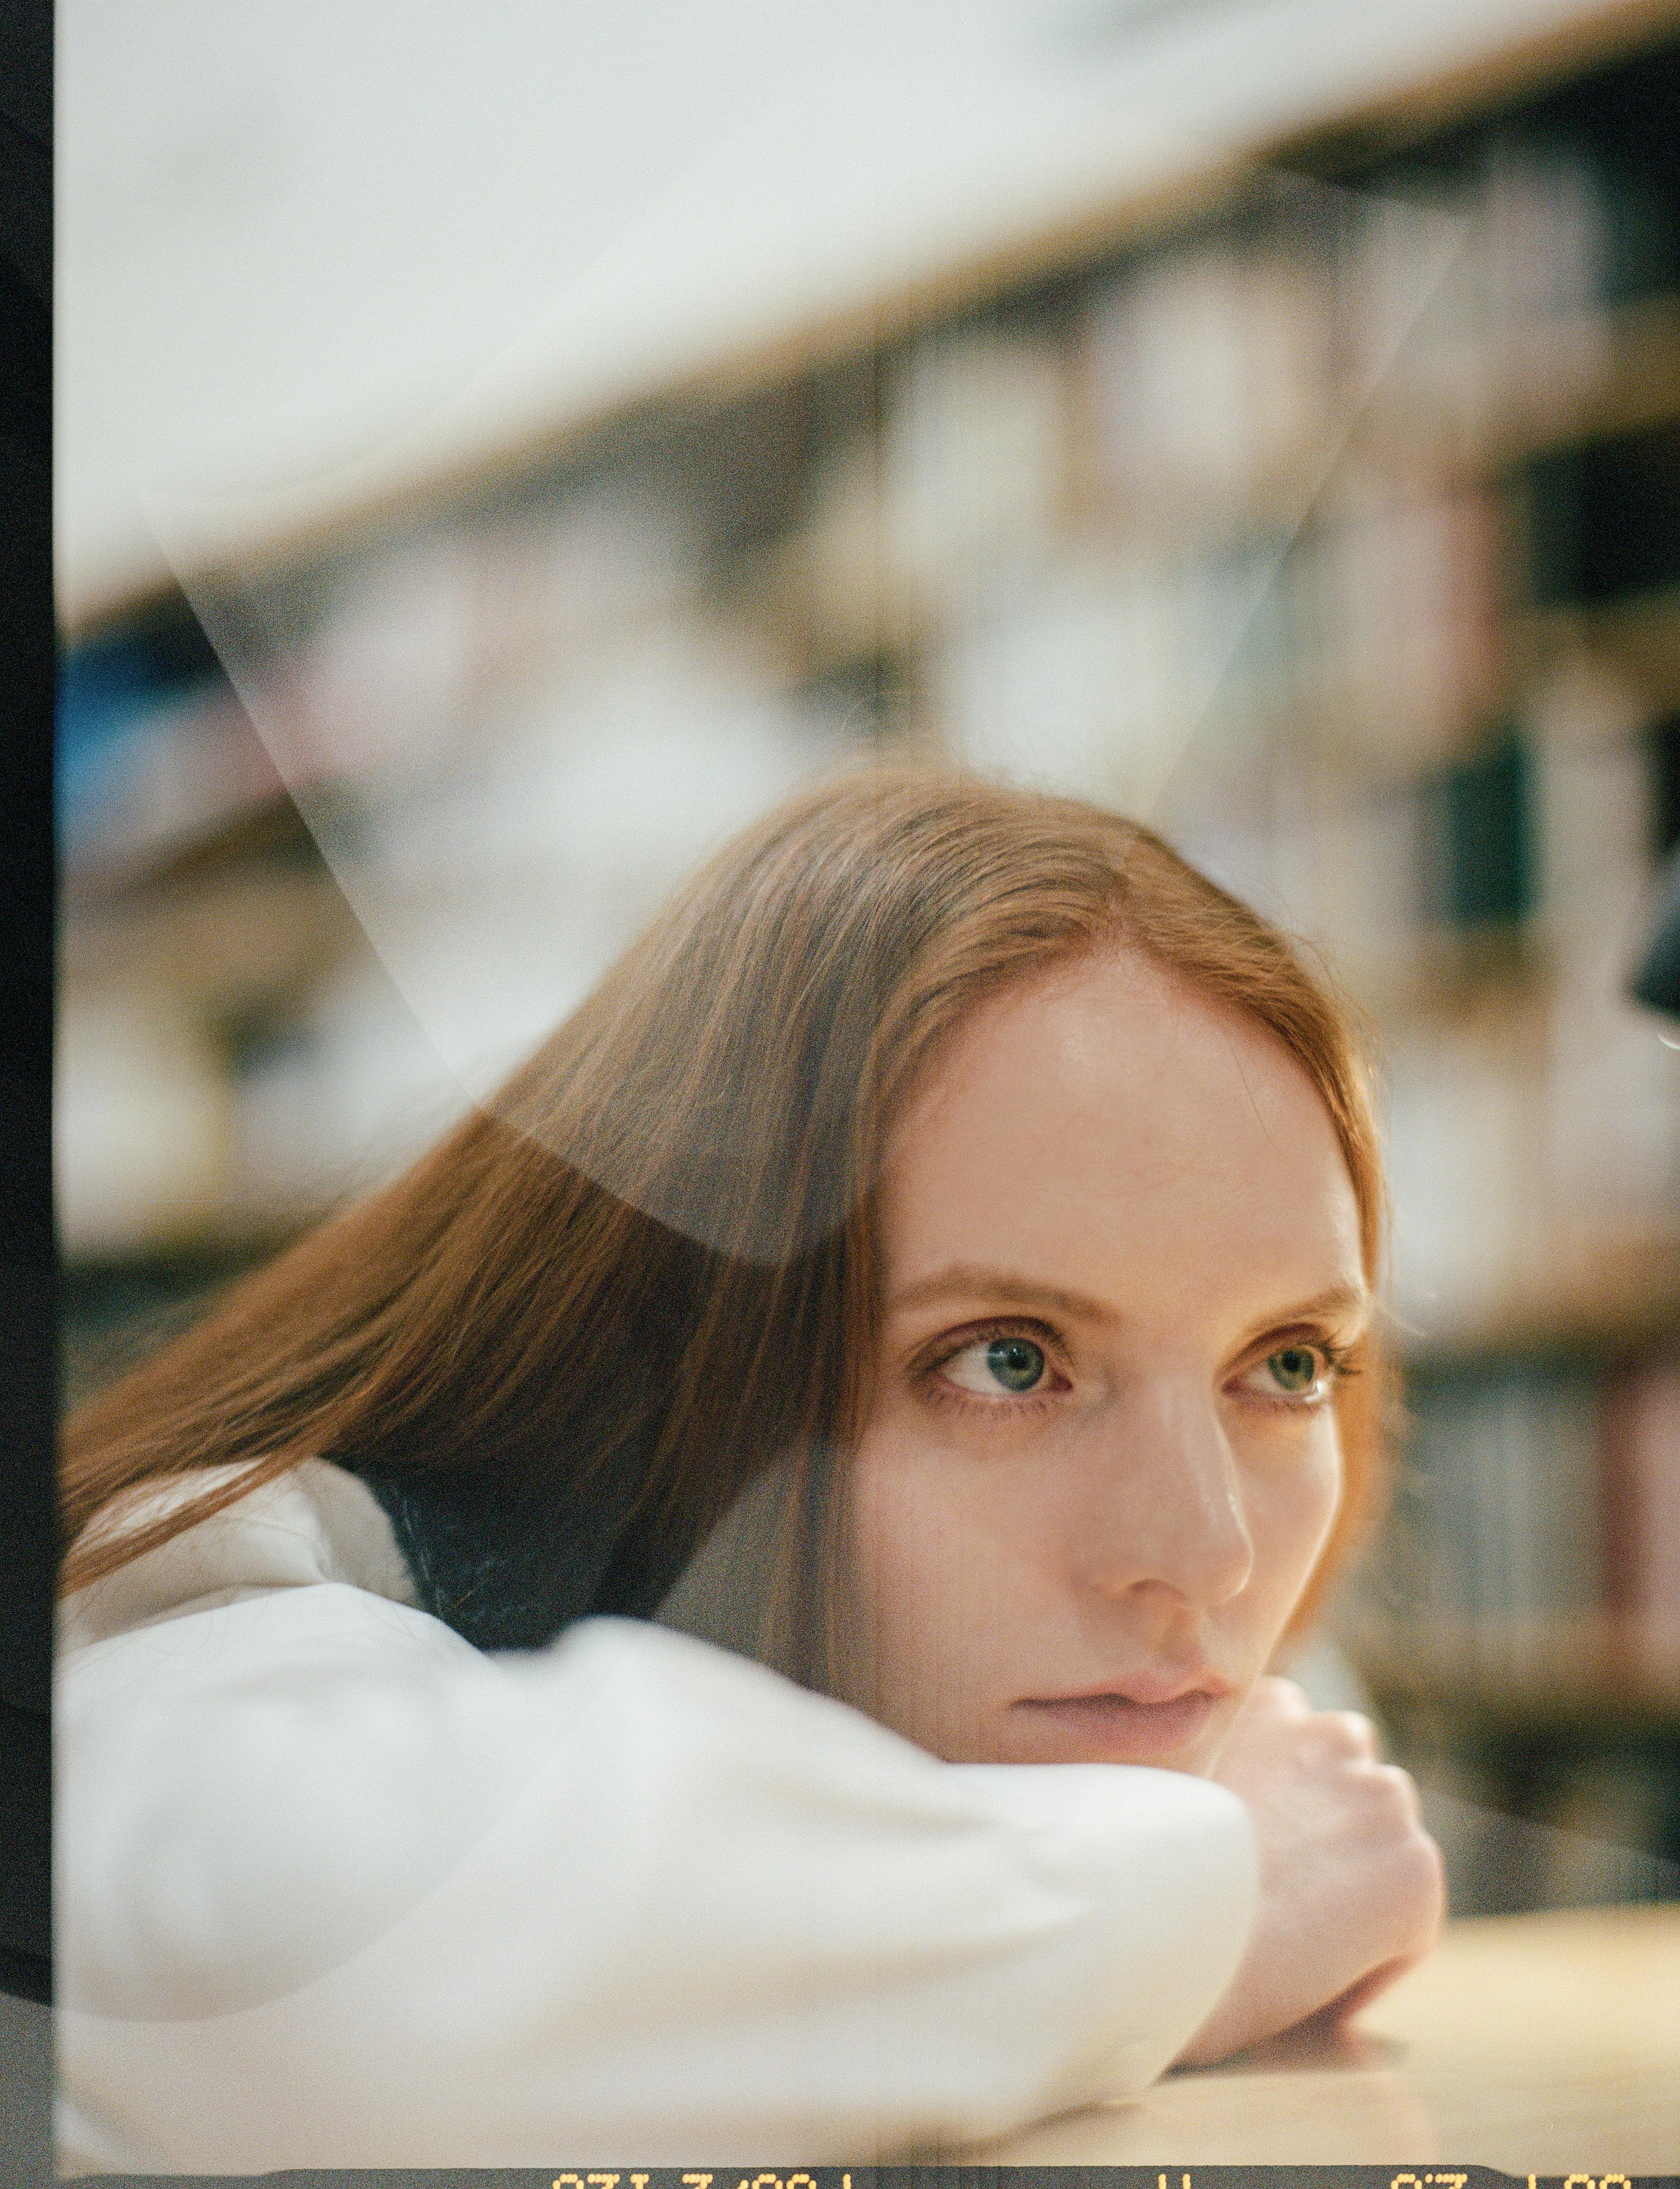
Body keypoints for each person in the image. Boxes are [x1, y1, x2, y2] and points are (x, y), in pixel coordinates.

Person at [56, 765, 1444, 2171]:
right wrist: (1206, 1903)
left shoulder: (1185, 1691)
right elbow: (309, 1987)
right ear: (679, 1356)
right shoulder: (230, 1599)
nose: (1207, 1550)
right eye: (1010, 1360)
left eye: (1285, 1363)